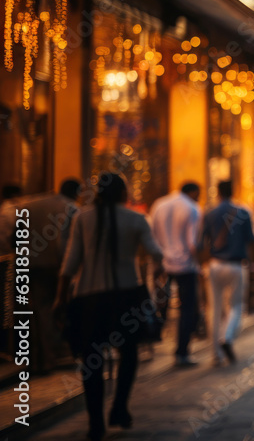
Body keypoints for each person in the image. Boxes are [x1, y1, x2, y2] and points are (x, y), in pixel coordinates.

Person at [55, 173, 163, 441]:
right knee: (128, 353)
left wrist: (60, 298)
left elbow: (70, 262)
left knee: (91, 360)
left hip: (88, 297)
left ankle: (96, 423)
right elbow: (156, 253)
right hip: (127, 295)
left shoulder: (83, 217)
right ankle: (119, 408)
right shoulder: (136, 219)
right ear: (123, 193)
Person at [18, 179, 81, 372]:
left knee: (38, 310)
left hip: (30, 262)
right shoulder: (71, 209)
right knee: (59, 307)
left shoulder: (31, 204)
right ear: (76, 193)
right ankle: (57, 355)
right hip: (56, 265)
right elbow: (66, 241)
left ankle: (41, 358)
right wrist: (68, 270)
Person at [200, 181, 254, 366]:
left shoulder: (209, 213)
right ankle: (227, 337)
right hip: (236, 265)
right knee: (236, 306)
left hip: (214, 265)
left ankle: (215, 353)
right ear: (233, 191)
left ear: (218, 192)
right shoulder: (243, 212)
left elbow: (201, 243)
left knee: (213, 308)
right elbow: (251, 239)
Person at [149, 182, 202, 366]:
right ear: (194, 192)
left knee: (160, 301)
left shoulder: (159, 204)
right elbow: (192, 243)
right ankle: (182, 352)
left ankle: (154, 337)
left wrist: (157, 261)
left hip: (163, 263)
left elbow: (152, 235)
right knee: (187, 308)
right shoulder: (192, 208)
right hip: (185, 265)